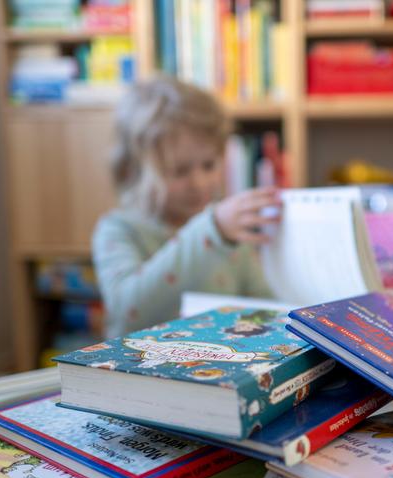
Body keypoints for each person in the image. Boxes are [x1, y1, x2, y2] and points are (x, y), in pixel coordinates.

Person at [93, 75, 281, 338]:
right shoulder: (119, 229)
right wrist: (212, 231)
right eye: (179, 170)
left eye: (208, 165)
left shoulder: (226, 229)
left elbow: (266, 306)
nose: (199, 182)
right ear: (132, 170)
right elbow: (127, 310)